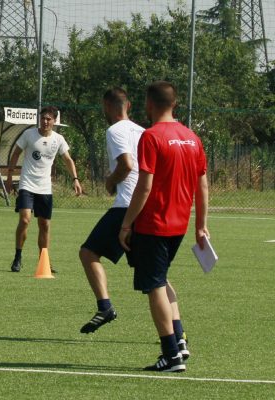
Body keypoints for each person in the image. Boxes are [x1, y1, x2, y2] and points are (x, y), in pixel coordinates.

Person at [119, 81, 209, 373]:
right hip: (179, 224)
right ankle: (179, 341)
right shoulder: (192, 138)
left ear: (149, 104)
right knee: (161, 278)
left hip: (154, 223)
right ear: (175, 103)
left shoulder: (151, 136)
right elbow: (202, 185)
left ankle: (170, 354)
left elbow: (144, 186)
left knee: (154, 285)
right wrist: (201, 226)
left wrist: (126, 223)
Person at [78, 87, 144, 333]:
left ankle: (105, 306)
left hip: (126, 207)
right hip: (146, 205)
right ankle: (178, 334)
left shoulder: (115, 130)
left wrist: (110, 181)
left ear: (107, 106)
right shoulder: (144, 131)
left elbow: (126, 165)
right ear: (129, 106)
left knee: (88, 253)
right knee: (153, 275)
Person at [5, 106, 83, 273]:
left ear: (54, 121)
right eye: (43, 118)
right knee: (25, 220)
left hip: (44, 188)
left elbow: (67, 159)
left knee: (44, 225)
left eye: (49, 119)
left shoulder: (59, 139)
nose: (45, 121)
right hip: (26, 184)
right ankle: (18, 257)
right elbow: (16, 152)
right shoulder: (29, 135)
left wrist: (75, 179)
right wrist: (10, 176)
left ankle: (44, 261)